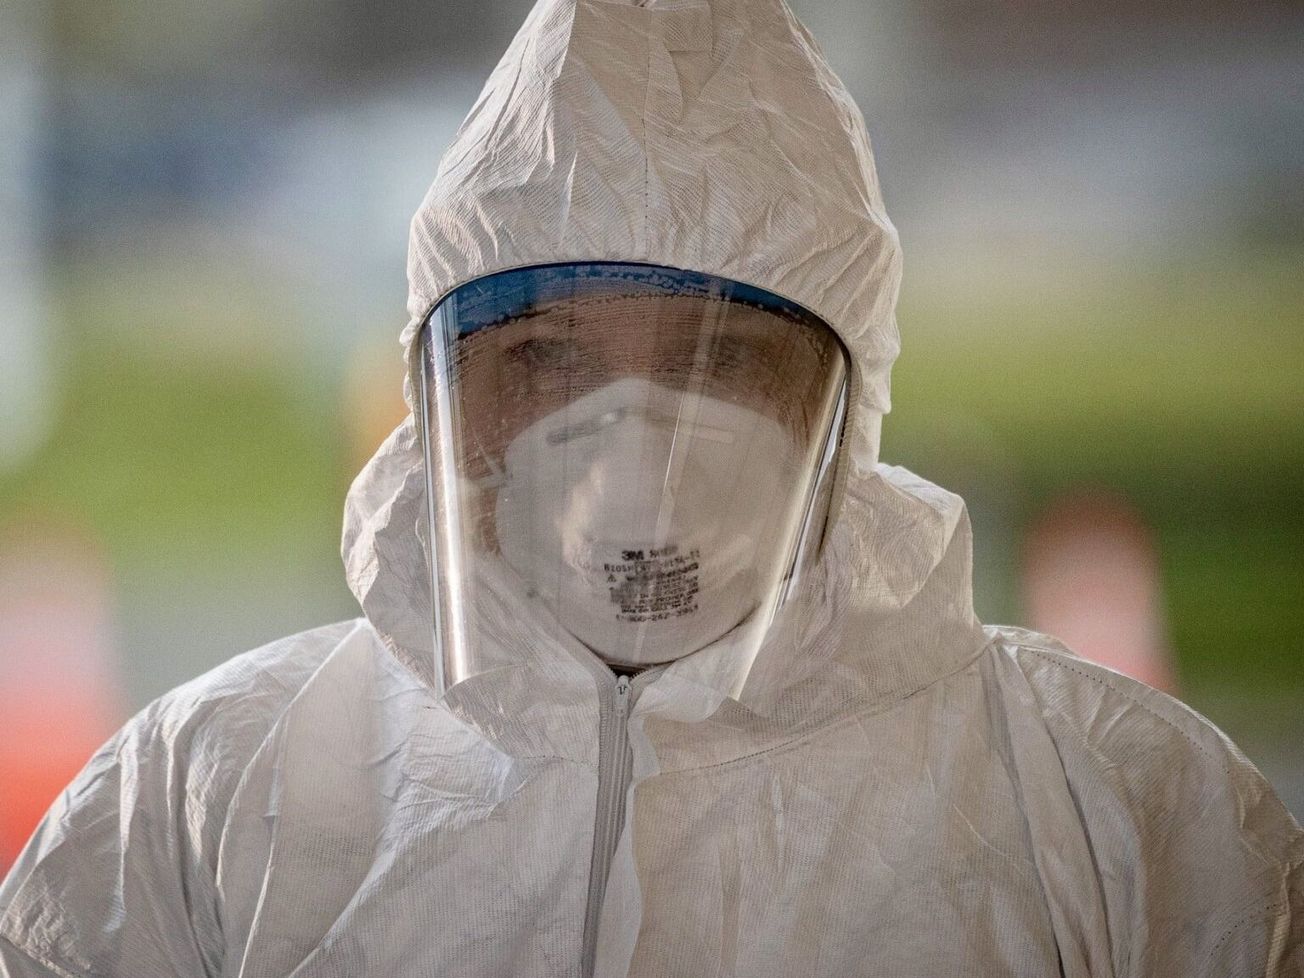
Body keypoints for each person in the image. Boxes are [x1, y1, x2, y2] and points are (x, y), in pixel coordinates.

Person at [2, 0, 1300, 974]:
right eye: (546, 355)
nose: (628, 446)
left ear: (843, 405)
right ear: (440, 394)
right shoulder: (205, 801)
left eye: (722, 357)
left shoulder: (1122, 817)